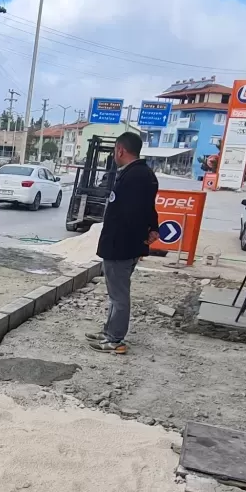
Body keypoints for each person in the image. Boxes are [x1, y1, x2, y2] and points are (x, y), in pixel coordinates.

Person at [87, 131, 159, 354]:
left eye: (114, 151)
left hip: (121, 246)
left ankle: (115, 339)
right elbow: (148, 208)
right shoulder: (139, 174)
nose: (114, 155)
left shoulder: (135, 176)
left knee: (119, 295)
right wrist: (152, 228)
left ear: (120, 150)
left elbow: (132, 215)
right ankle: (109, 331)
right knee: (115, 293)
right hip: (124, 244)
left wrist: (136, 240)